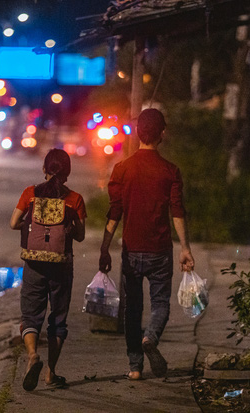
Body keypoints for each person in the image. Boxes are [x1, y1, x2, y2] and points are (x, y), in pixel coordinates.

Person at [98, 108, 195, 380]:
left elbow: (114, 212)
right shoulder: (170, 171)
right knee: (160, 304)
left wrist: (105, 247)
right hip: (160, 250)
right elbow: (178, 211)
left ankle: (134, 367)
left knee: (132, 309)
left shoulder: (122, 169)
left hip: (131, 251)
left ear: (138, 132)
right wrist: (185, 247)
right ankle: (150, 337)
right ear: (162, 133)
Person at [10, 148, 87, 391]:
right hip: (61, 265)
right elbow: (81, 236)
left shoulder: (30, 194)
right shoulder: (74, 199)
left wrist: (32, 226)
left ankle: (33, 355)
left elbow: (13, 223)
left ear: (44, 169)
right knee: (58, 319)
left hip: (33, 263)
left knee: (31, 315)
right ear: (67, 172)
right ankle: (51, 373)